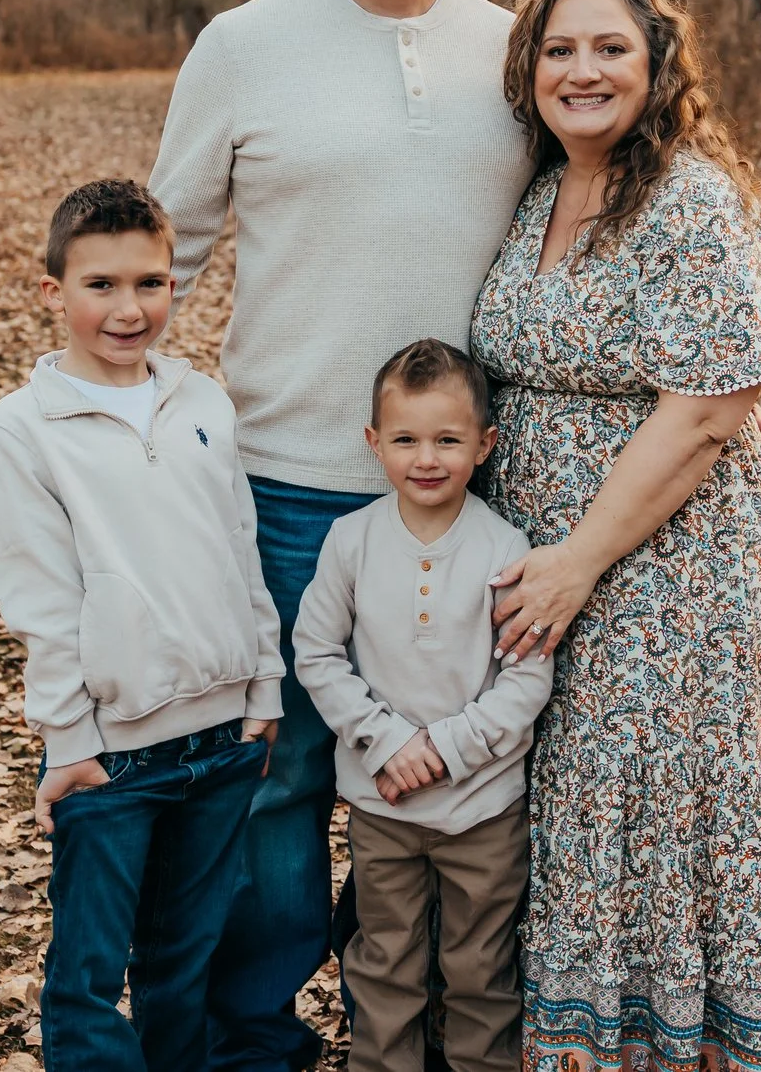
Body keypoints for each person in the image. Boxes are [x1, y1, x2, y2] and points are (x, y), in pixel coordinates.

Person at [151, 0, 535, 1070]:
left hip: (477, 496)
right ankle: (256, 1040)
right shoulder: (244, 45)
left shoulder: (512, 48)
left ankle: (418, 1032)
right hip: (288, 489)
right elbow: (171, 255)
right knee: (276, 792)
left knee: (460, 786)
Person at [470, 0, 761, 1072]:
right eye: (557, 49)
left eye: (608, 48)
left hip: (672, 562)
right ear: (527, 69)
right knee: (577, 798)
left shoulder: (689, 196)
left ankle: (688, 1050)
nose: (581, 69)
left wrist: (579, 559)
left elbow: (711, 405)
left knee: (651, 797)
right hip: (547, 556)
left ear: (656, 65)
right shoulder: (540, 189)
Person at [0, 179, 286, 1072]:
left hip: (224, 741)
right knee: (86, 980)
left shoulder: (203, 404)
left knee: (181, 967)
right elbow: (40, 601)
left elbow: (242, 551)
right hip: (111, 754)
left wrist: (262, 689)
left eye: (150, 283)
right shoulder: (24, 431)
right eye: (101, 285)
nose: (128, 307)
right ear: (54, 293)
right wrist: (68, 737)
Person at [294, 339, 554, 1072]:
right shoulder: (351, 543)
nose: (427, 457)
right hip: (384, 806)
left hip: (483, 808)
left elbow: (525, 679)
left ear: (485, 443)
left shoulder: (507, 549)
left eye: (448, 438)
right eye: (405, 439)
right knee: (385, 960)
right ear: (375, 443)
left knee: (479, 968)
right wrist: (385, 741)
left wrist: (445, 748)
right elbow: (316, 652)